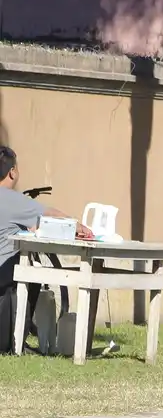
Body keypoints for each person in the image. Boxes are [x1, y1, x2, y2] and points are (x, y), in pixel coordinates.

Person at [1, 146, 94, 351]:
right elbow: (51, 214)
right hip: (3, 276)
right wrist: (79, 226)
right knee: (30, 274)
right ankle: (17, 338)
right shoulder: (11, 199)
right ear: (12, 172)